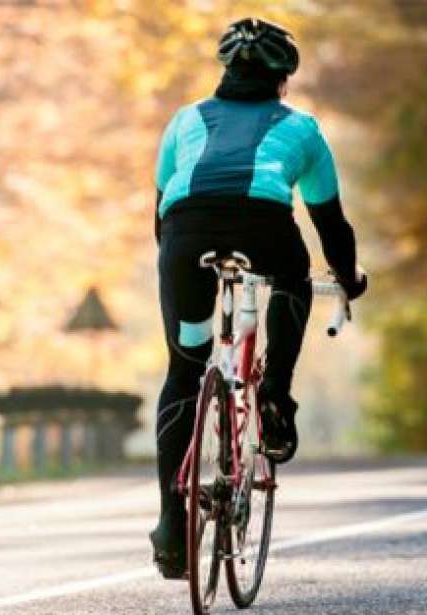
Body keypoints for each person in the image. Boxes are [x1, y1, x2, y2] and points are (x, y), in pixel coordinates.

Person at [150, 17, 367, 578]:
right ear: (283, 81)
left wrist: (182, 265)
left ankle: (173, 528)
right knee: (291, 277)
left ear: (225, 72)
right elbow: (331, 225)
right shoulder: (303, 129)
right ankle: (274, 393)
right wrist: (349, 277)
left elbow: (160, 208)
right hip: (263, 224)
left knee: (184, 369)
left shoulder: (185, 119)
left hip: (185, 232)